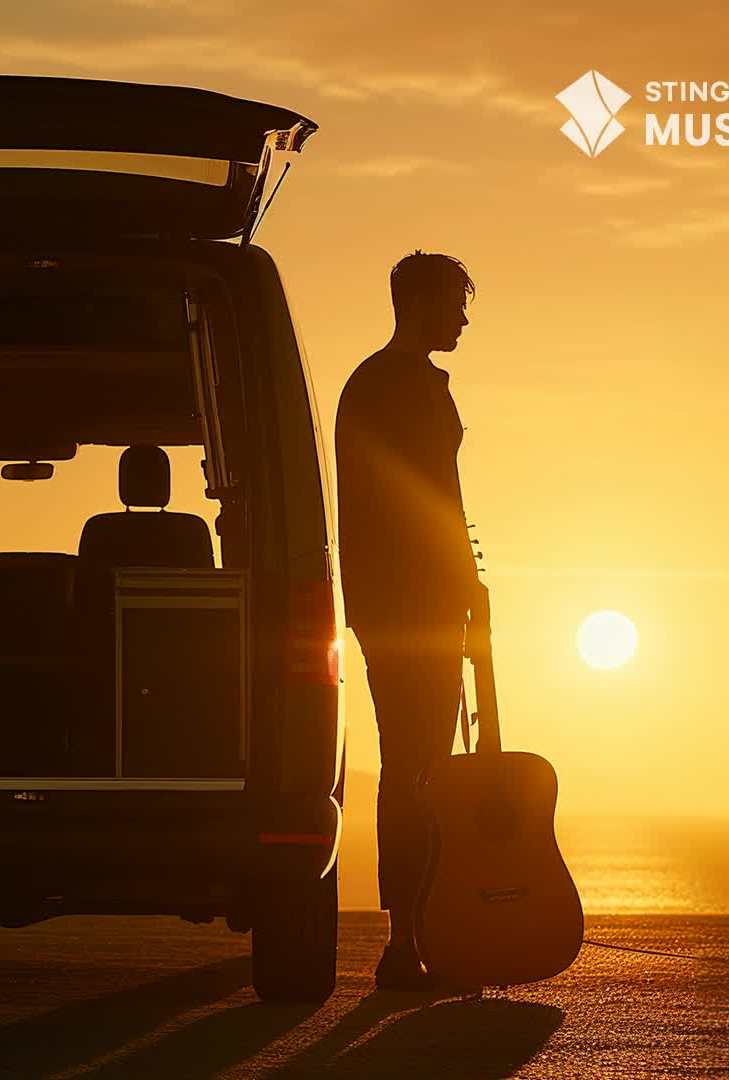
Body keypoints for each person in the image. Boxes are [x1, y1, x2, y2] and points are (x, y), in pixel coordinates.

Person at [334, 251, 487, 991]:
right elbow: (432, 503)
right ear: (420, 300)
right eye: (456, 301)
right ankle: (409, 943)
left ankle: (417, 936)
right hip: (416, 607)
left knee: (413, 769)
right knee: (419, 774)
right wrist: (468, 585)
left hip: (395, 605)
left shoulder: (374, 384)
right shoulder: (403, 388)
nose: (463, 316)